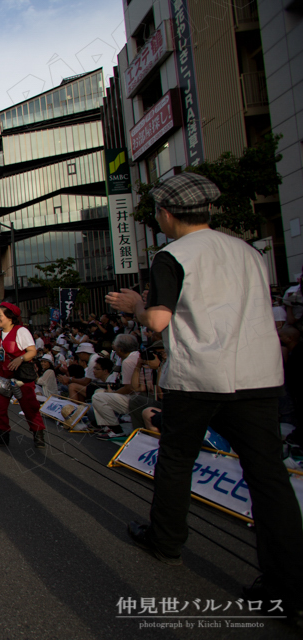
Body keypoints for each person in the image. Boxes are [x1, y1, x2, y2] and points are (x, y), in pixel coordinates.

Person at [106, 172, 303, 621]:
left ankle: (166, 541)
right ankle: (290, 588)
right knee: (269, 479)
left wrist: (135, 304)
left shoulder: (172, 256)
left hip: (198, 377)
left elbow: (156, 321)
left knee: (177, 460)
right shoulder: (249, 252)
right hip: (259, 374)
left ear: (166, 214)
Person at [0, 302, 47, 448]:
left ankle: (38, 433)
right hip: (2, 377)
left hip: (20, 377)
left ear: (9, 317)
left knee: (29, 406)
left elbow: (32, 351)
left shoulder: (21, 331)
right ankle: (3, 436)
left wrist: (21, 358)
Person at [92, 334, 146, 441]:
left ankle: (116, 430)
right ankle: (108, 427)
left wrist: (111, 393)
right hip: (138, 397)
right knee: (99, 391)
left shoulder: (128, 361)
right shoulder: (135, 356)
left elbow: (128, 388)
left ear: (120, 349)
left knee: (98, 397)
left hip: (136, 400)